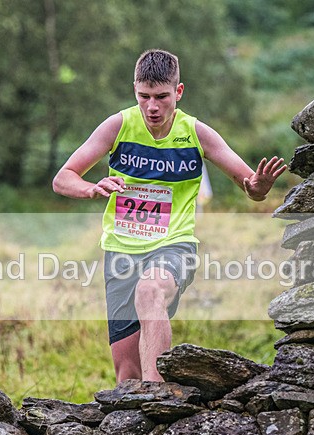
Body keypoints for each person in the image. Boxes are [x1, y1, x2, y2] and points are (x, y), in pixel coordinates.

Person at [52, 49, 286, 383]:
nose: (152, 107)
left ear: (178, 92)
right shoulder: (118, 126)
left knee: (150, 292)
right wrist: (91, 188)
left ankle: (158, 400)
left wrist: (260, 185)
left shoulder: (196, 133)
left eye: (161, 97)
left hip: (174, 245)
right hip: (121, 251)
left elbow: (250, 185)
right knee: (127, 373)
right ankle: (140, 412)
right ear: (134, 90)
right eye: (144, 96)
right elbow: (63, 179)